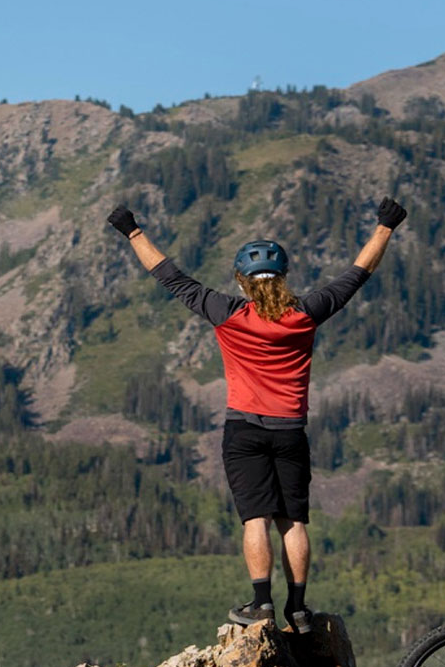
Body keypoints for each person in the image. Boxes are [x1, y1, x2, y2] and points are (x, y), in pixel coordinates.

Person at [107, 197, 408, 633]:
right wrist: (386, 227)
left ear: (241, 280)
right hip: (291, 433)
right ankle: (299, 610)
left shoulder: (226, 313)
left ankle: (261, 603)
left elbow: (169, 276)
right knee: (294, 521)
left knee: (255, 519)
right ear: (283, 276)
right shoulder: (306, 314)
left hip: (244, 429)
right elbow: (357, 274)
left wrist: (133, 232)